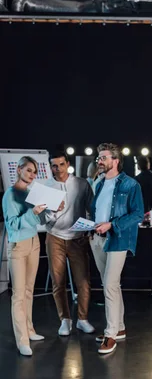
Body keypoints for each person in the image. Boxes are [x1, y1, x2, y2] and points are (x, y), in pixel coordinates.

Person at [90, 143, 144, 355]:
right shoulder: (100, 183)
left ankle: (110, 333)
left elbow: (138, 214)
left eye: (103, 157)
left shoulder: (131, 185)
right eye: (98, 158)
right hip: (97, 238)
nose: (99, 161)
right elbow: (97, 210)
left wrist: (112, 225)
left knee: (110, 285)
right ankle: (119, 327)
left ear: (116, 160)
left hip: (117, 239)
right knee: (110, 284)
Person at [46, 151, 95, 336]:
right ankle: (64, 320)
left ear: (68, 164)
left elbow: (92, 209)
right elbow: (43, 218)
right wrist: (51, 212)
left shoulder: (81, 184)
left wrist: (90, 227)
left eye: (61, 165)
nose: (57, 169)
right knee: (58, 282)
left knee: (83, 281)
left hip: (77, 238)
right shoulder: (46, 186)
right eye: (54, 166)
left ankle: (82, 320)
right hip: (55, 236)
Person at [2, 157, 46, 356]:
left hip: (34, 242)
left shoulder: (30, 193)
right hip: (18, 245)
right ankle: (22, 340)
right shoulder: (10, 195)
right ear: (19, 170)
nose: (32, 175)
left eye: (34, 171)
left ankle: (30, 329)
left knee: (29, 290)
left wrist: (51, 210)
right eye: (28, 170)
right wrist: (33, 213)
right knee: (19, 294)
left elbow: (37, 219)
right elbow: (12, 224)